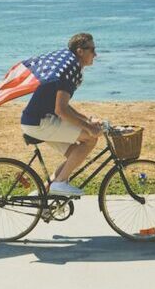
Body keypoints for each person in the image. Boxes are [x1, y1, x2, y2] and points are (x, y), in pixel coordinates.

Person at [20, 33, 102, 197]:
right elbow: (61, 111)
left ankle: (43, 194)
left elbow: (64, 107)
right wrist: (89, 128)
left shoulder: (68, 66)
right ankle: (59, 183)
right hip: (40, 122)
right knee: (90, 138)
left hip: (38, 120)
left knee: (75, 155)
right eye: (92, 50)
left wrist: (87, 121)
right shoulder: (68, 70)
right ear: (80, 51)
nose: (95, 54)